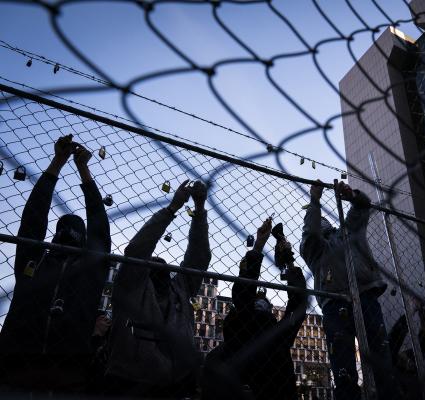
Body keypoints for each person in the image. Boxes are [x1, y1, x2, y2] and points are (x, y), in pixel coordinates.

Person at [0, 135, 111, 393]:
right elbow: (33, 220)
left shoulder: (90, 269)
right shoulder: (35, 261)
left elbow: (99, 228)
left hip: (67, 377)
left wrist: (80, 169)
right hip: (16, 372)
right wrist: (58, 163)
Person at [104, 179, 211, 397]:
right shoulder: (131, 287)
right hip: (131, 380)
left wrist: (200, 209)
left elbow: (198, 257)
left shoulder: (178, 288)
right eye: (152, 261)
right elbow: (136, 249)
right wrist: (172, 209)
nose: (159, 263)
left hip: (178, 381)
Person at [300, 181, 398, 400]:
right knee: (343, 364)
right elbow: (311, 234)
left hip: (365, 295)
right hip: (335, 302)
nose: (322, 225)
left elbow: (364, 207)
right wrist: (314, 201)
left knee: (381, 355)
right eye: (318, 222)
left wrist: (352, 195)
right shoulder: (314, 248)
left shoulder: (347, 233)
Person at [203, 218, 308, 400]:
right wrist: (258, 247)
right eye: (257, 302)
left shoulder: (276, 336)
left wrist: (288, 263)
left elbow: (298, 305)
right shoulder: (243, 325)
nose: (260, 304)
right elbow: (244, 293)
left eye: (264, 303)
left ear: (269, 311)